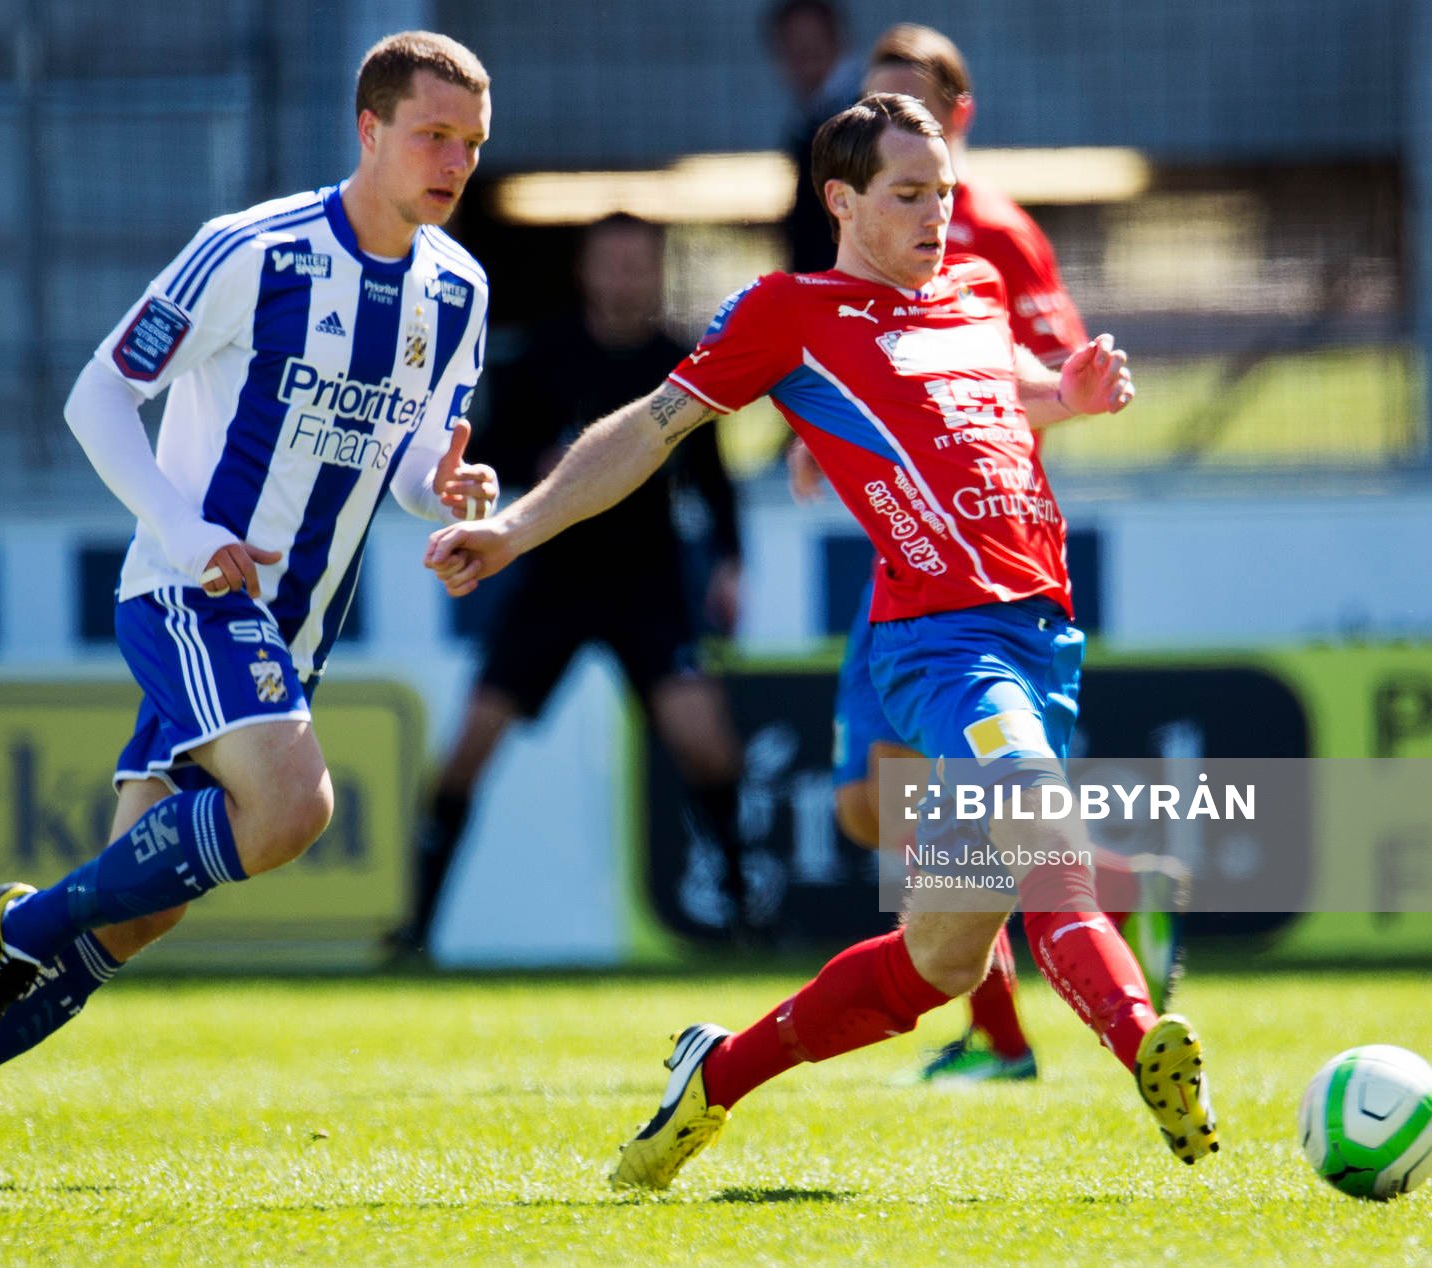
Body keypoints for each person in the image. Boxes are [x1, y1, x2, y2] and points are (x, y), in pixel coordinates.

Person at [424, 94, 1219, 1191]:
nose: (938, 215)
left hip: (1043, 637)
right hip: (944, 645)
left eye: (942, 193)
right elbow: (651, 427)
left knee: (939, 960)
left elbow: (1004, 394)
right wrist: (514, 524)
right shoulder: (791, 311)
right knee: (1052, 844)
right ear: (842, 201)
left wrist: (1067, 394)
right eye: (908, 195)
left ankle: (716, 1076)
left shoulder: (977, 292)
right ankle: (1148, 1047)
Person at [0, 30, 498, 1190]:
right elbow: (100, 392)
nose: (453, 160)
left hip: (291, 630)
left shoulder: (458, 287)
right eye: (433, 134)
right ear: (371, 129)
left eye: (472, 143)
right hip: (190, 595)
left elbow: (402, 458)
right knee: (293, 806)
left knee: (136, 916)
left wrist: (439, 491)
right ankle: (16, 924)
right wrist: (183, 529)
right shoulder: (252, 250)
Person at [788, 22, 1185, 1086]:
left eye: (911, 106)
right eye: (870, 110)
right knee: (880, 803)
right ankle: (1100, 914)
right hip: (902, 554)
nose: (891, 140)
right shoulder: (858, 256)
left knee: (940, 801)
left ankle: (1014, 1024)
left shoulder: (992, 236)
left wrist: (1058, 400)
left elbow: (1035, 375)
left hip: (980, 571)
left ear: (958, 118)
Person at [401, 212, 753, 953]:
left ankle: (747, 915)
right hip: (553, 581)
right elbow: (486, 452)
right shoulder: (539, 358)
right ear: (586, 271)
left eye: (638, 266)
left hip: (650, 582)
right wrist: (532, 465)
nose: (624, 279)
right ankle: (415, 932)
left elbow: (714, 479)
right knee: (469, 749)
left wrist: (727, 560)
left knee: (709, 747)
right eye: (611, 264)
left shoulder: (681, 363)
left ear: (655, 273)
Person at [764, 0, 861, 273]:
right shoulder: (808, 115)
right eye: (792, 47)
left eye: (811, 45)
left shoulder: (858, 114)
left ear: (837, 41)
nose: (802, 56)